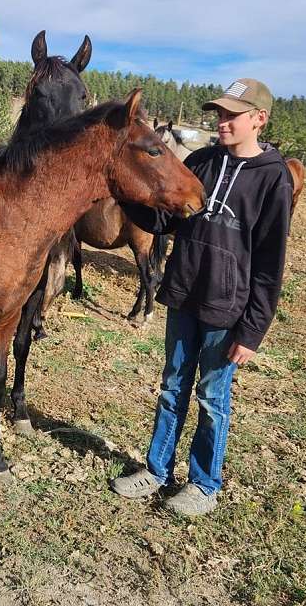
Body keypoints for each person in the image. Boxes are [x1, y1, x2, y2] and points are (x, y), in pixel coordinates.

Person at [111, 78, 293, 515]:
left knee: (212, 398)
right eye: (220, 113)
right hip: (184, 293)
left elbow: (270, 264)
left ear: (259, 119)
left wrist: (252, 332)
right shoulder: (203, 161)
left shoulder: (274, 180)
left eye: (233, 115)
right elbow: (163, 221)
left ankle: (204, 483)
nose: (223, 122)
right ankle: (157, 470)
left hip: (226, 308)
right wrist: (122, 195)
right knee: (172, 387)